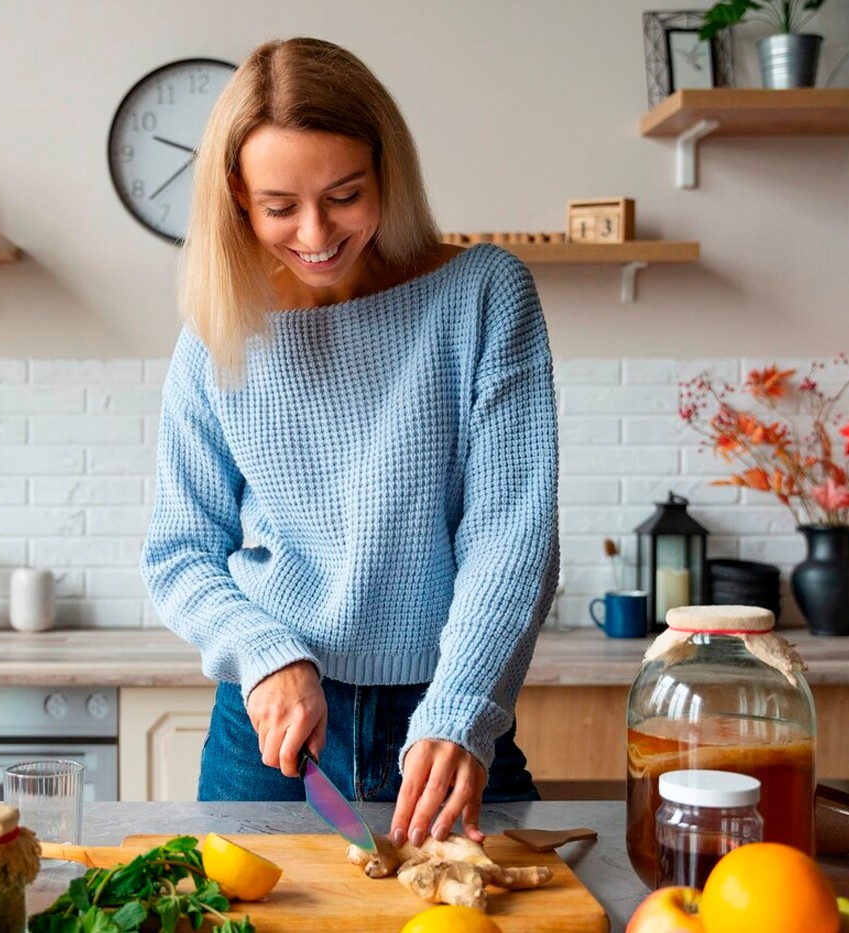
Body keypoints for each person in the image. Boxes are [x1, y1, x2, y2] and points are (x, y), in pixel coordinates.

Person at [140, 36, 558, 849]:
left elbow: (512, 536)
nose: (315, 233)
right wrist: (263, 650)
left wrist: (464, 703)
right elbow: (179, 553)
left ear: (385, 173)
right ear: (237, 195)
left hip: (446, 714)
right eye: (279, 207)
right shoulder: (219, 329)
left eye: (344, 195)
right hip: (271, 732)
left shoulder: (481, 296)